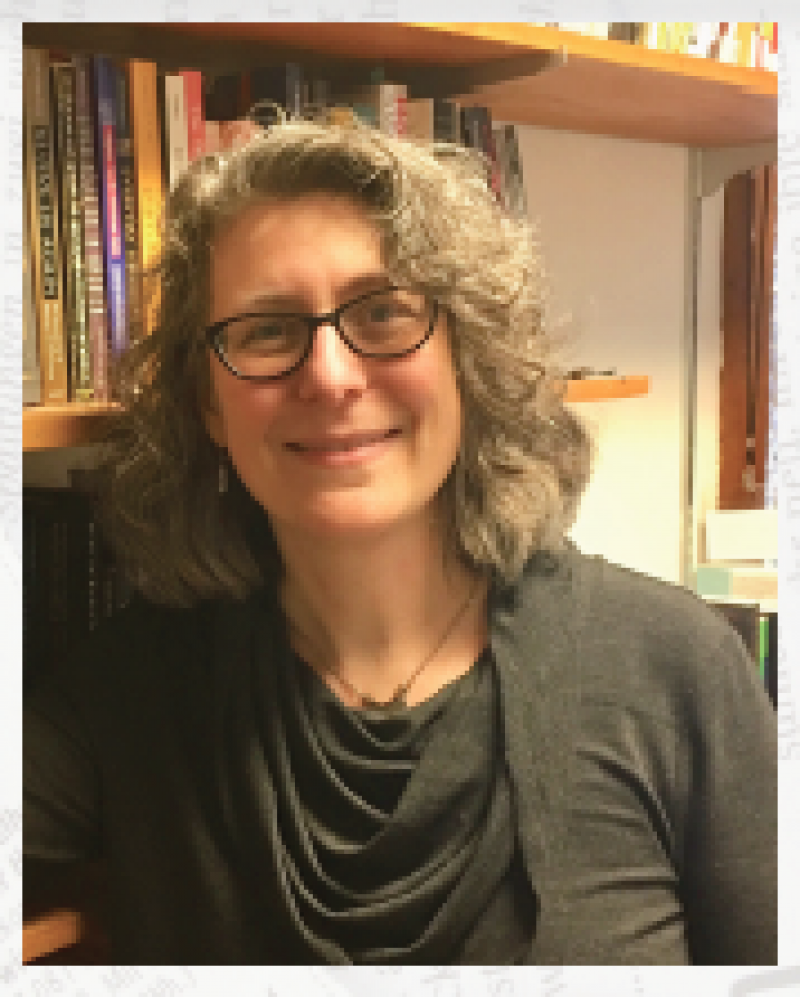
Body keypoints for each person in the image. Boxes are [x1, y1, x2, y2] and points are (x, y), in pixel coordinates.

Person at [24, 118, 777, 965]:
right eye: (267, 330)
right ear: (209, 406)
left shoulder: (676, 670)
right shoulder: (129, 692)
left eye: (383, 312)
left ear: (467, 358)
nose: (332, 376)